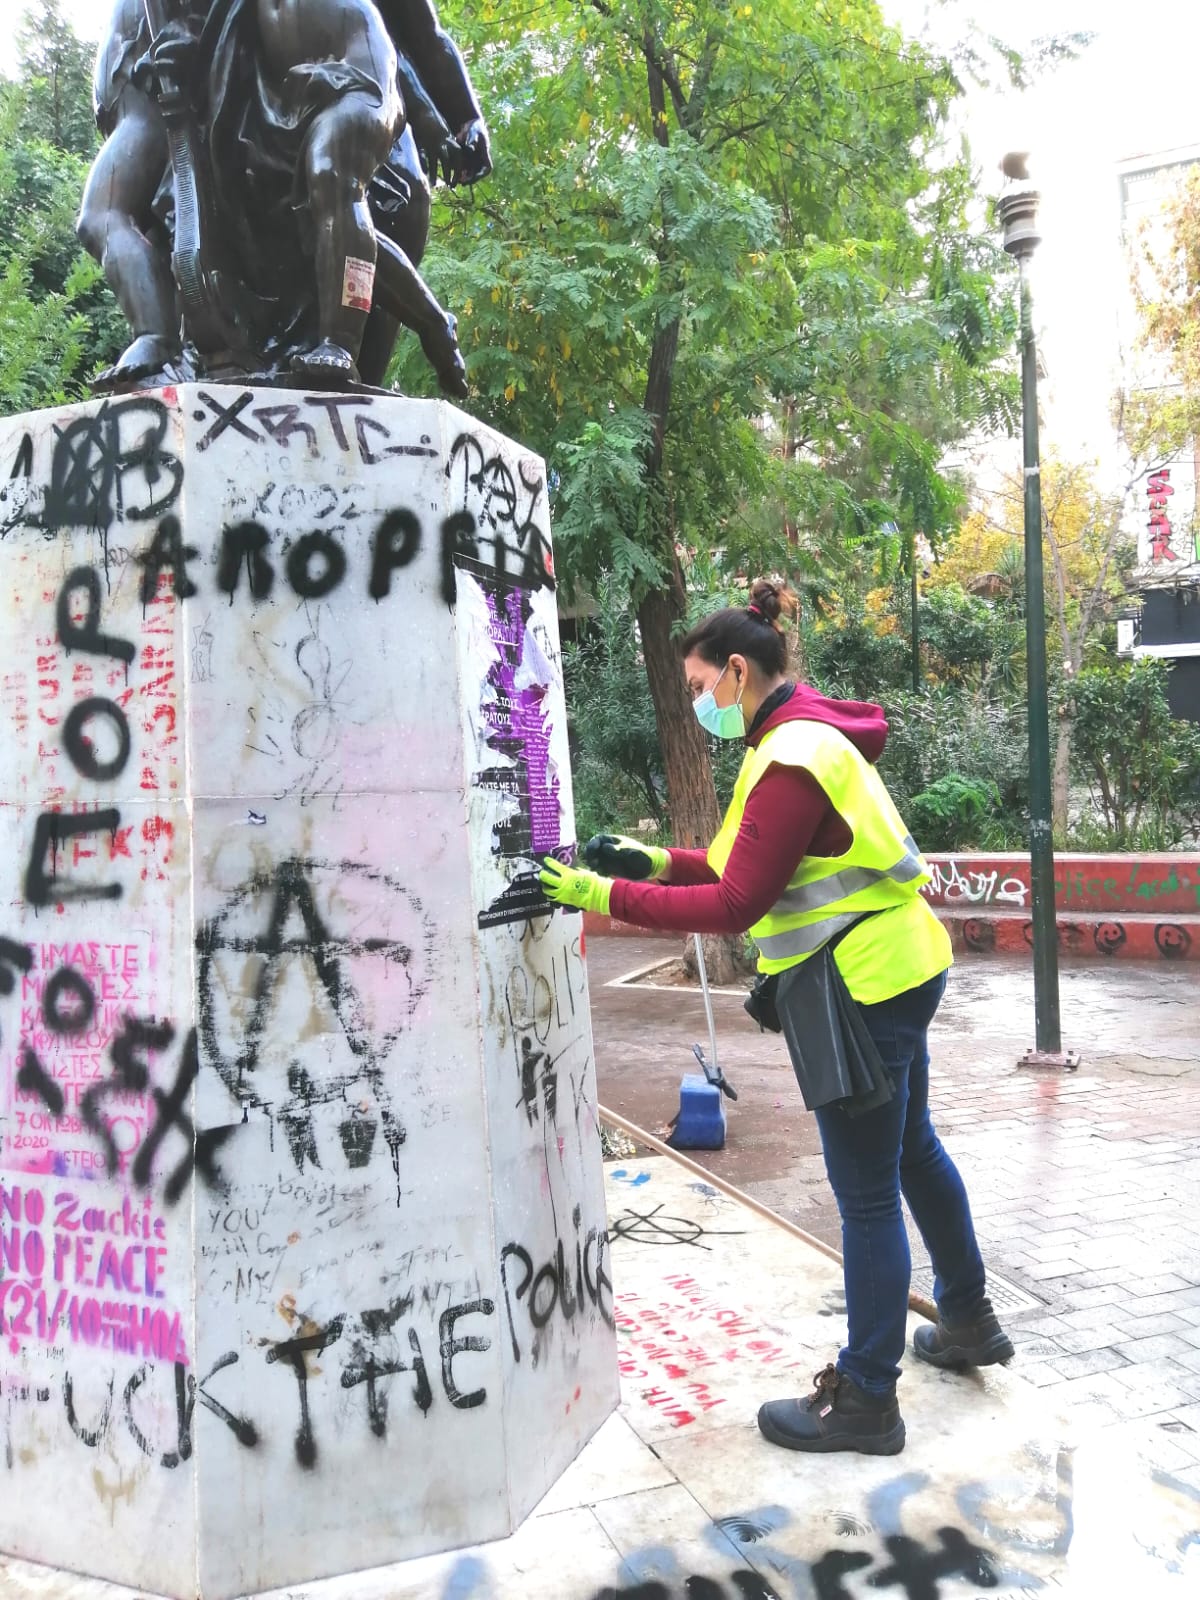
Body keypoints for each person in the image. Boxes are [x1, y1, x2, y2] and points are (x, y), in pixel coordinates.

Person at [539, 578, 1013, 1456]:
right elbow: (732, 861)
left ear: (733, 672)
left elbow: (735, 901)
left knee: (867, 1194)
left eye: (695, 688)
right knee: (913, 1151)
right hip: (897, 967)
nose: (695, 705)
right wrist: (652, 858)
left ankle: (867, 1396)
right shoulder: (798, 740)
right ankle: (969, 1319)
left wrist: (605, 895)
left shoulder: (791, 754)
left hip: (864, 988)